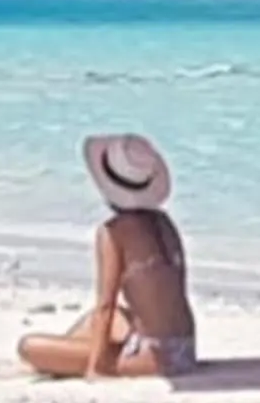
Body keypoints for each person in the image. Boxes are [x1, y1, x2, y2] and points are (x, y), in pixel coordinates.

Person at [16, 133, 198, 378]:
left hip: (156, 357)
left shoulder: (114, 232)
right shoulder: (164, 223)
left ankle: (63, 360)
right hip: (186, 349)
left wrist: (96, 368)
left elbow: (106, 304)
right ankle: (65, 356)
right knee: (99, 319)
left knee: (28, 347)